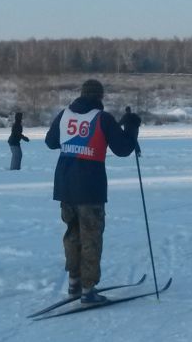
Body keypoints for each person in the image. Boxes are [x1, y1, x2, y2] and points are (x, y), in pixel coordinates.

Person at [45, 79, 140, 305]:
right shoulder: (102, 118)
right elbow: (123, 149)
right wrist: (132, 127)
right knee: (91, 238)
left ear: (81, 94)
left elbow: (50, 142)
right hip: (90, 188)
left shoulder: (65, 114)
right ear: (100, 97)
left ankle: (74, 283)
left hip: (65, 186)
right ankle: (89, 290)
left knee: (73, 234)